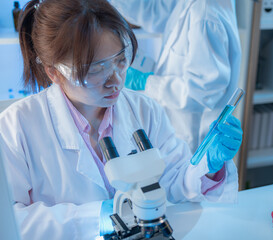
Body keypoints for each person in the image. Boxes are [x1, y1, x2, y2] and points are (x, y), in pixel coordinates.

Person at [0, 0, 243, 239]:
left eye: (120, 60)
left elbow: (174, 182)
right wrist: (97, 216)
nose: (115, 80)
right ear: (54, 72)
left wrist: (209, 167)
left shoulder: (144, 109)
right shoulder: (16, 126)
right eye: (95, 69)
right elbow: (10, 219)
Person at [111, 0, 241, 153]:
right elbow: (156, 15)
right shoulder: (191, 5)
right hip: (177, 133)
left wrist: (146, 83)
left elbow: (202, 94)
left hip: (191, 139)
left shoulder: (205, 15)